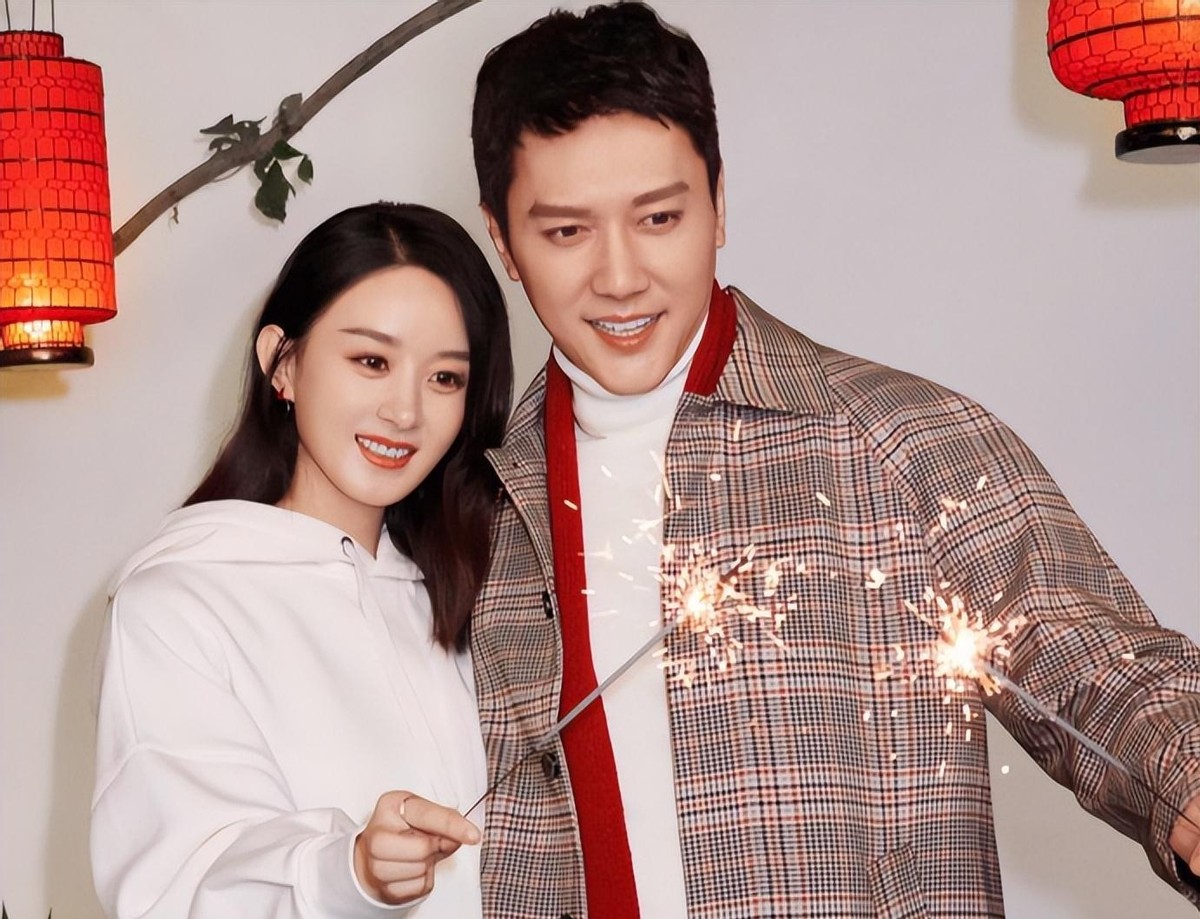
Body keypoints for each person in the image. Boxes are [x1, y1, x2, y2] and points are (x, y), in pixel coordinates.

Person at [466, 4, 1200, 917]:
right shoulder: (468, 506)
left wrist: (1189, 776)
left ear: (719, 203)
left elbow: (1104, 667)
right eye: (566, 232)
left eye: (659, 217)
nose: (620, 277)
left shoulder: (897, 438)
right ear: (502, 239)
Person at [90, 202, 512, 919]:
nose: (405, 411)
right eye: (372, 361)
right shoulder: (178, 604)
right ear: (281, 362)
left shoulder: (478, 590)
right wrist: (349, 870)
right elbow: (180, 877)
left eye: (445, 378)